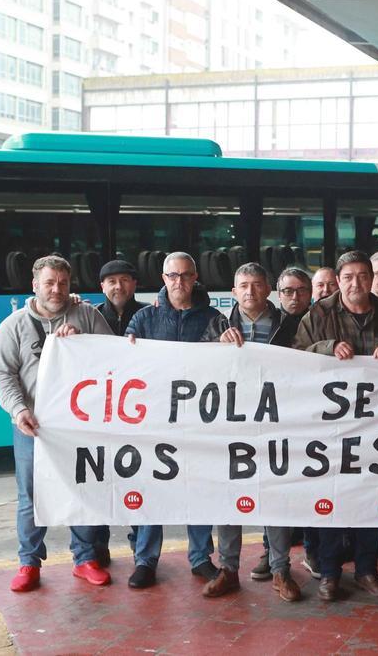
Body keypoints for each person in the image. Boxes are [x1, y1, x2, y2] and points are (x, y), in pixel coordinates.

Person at [292, 250, 378, 601]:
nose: (356, 283)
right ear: (338, 279)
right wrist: (327, 347)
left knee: (371, 498)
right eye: (348, 277)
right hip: (331, 426)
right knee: (333, 498)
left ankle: (366, 570)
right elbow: (295, 356)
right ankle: (330, 573)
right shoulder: (317, 314)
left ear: (371, 278)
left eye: (362, 276)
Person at [0, 255, 114, 592]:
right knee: (30, 495)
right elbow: (3, 375)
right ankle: (29, 563)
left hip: (81, 427)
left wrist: (82, 345)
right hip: (34, 426)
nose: (56, 289)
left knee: (84, 489)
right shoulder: (12, 326)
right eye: (49, 282)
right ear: (35, 285)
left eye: (62, 283)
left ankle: (85, 558)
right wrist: (18, 411)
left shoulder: (87, 315)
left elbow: (113, 359)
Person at [123, 252, 224, 590]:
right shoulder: (143, 318)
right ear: (163, 279)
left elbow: (227, 369)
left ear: (196, 277)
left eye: (185, 275)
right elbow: (124, 365)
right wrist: (128, 348)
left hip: (199, 420)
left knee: (199, 486)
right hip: (155, 421)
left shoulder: (215, 320)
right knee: (152, 488)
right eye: (172, 276)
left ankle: (200, 558)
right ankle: (145, 560)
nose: (178, 282)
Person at [206, 262, 304, 601]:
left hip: (275, 423)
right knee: (228, 496)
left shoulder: (290, 325)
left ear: (268, 290)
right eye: (243, 285)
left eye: (257, 284)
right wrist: (215, 346)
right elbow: (193, 366)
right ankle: (228, 569)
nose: (250, 291)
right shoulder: (216, 324)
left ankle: (280, 570)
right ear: (233, 292)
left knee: (274, 496)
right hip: (229, 424)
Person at [92, 259, 148, 566]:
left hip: (139, 415)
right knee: (99, 481)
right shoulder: (90, 316)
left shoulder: (149, 315)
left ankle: (141, 547)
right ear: (102, 286)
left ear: (134, 284)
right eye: (111, 281)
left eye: (124, 280)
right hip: (101, 415)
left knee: (137, 479)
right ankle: (99, 545)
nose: (118, 286)